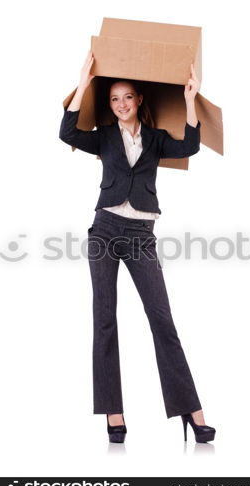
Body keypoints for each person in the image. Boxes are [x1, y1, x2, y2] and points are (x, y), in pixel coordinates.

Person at [59, 50, 216, 444]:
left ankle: (192, 410)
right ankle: (114, 411)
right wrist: (82, 82)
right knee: (104, 319)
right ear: (109, 105)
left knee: (162, 319)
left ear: (139, 99)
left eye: (127, 97)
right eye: (114, 99)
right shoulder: (105, 138)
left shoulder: (157, 140)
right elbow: (67, 133)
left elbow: (191, 146)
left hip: (142, 234)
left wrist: (190, 98)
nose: (122, 104)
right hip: (105, 231)